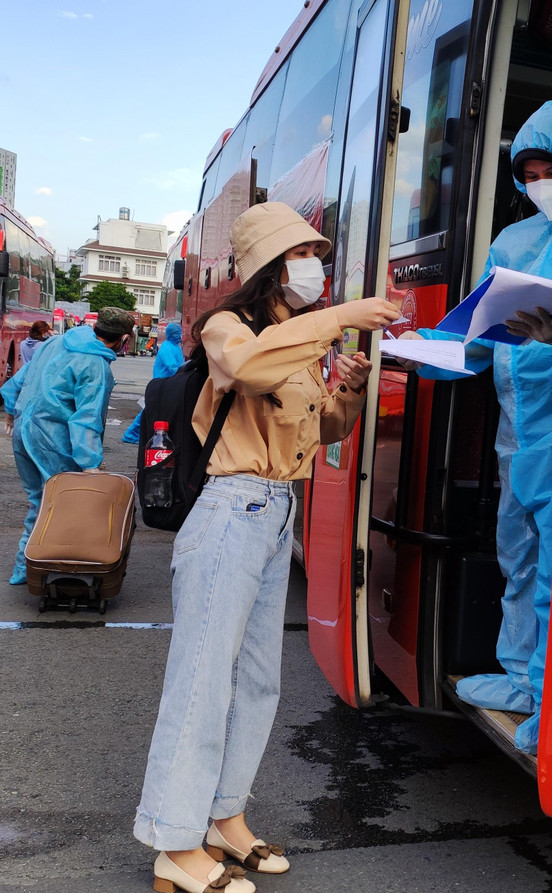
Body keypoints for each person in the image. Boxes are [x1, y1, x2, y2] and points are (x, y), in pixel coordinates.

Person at [132, 201, 398, 893]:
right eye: (303, 254)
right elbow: (245, 372)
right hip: (228, 508)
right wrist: (337, 319)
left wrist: (349, 388)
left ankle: (224, 817)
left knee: (257, 680)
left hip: (277, 510)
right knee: (202, 675)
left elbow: (320, 430)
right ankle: (172, 838)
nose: (315, 266)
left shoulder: (300, 340)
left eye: (317, 255)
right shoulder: (230, 328)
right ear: (273, 266)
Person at [398, 101, 552, 755]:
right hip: (518, 438)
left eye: (551, 167)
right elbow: (471, 344)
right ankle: (515, 675)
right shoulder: (513, 244)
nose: (539, 182)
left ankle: (548, 698)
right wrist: (411, 350)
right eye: (527, 172)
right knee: (520, 561)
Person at [2, 308, 133, 585]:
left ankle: (24, 569)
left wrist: (11, 412)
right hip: (52, 439)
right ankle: (43, 568)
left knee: (38, 500)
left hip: (23, 431)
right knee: (57, 505)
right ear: (123, 338)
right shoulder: (95, 365)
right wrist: (90, 463)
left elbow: (19, 380)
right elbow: (86, 418)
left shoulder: (54, 342)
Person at [122, 322, 185, 444]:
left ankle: (136, 434)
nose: (180, 336)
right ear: (172, 334)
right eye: (178, 333)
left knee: (153, 410)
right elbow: (172, 366)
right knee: (149, 410)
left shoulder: (175, 346)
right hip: (161, 384)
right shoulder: (167, 347)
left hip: (168, 384)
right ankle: (131, 434)